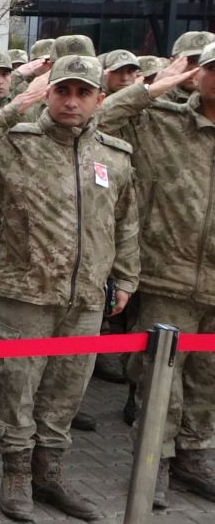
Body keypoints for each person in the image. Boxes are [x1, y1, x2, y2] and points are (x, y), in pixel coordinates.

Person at [0, 56, 139, 522]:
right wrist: (16, 107)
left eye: (82, 93)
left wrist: (127, 277)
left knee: (66, 392)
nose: (71, 102)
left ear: (100, 99)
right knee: (19, 389)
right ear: (49, 93)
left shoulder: (115, 155)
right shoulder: (15, 143)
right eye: (62, 91)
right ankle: (15, 477)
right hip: (26, 293)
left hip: (86, 297)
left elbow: (125, 222)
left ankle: (49, 474)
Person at [97, 48, 215, 508]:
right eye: (211, 69)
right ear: (196, 73)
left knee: (209, 380)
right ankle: (156, 462)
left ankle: (195, 456)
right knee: (162, 380)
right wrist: (154, 87)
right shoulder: (160, 121)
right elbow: (101, 119)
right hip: (168, 274)